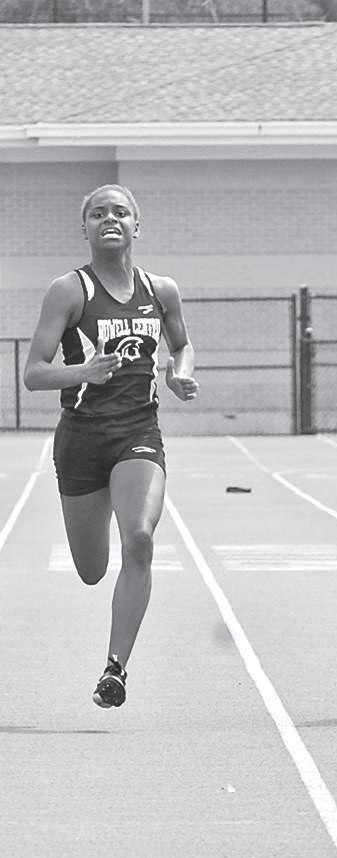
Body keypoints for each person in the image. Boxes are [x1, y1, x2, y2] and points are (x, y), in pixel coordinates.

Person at [24, 184, 198, 708]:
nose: (110, 220)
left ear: (136, 225)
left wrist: (179, 374)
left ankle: (115, 669)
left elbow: (182, 345)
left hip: (137, 433)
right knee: (91, 569)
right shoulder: (69, 290)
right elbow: (34, 373)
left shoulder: (161, 290)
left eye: (120, 212)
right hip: (81, 439)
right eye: (98, 213)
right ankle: (95, 511)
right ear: (85, 228)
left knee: (140, 539)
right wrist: (83, 372)